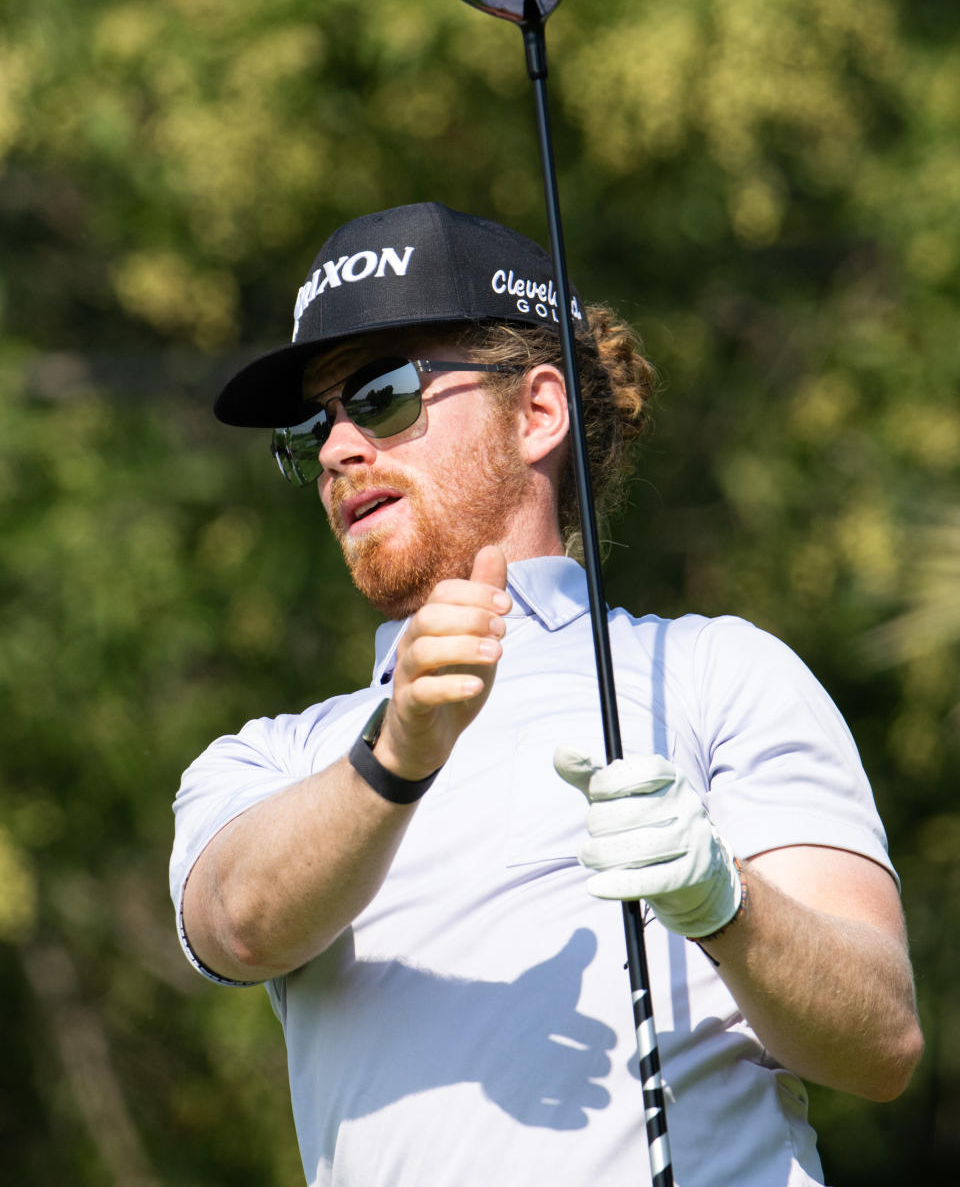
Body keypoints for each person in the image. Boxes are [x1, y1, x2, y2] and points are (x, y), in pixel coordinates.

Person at [170, 201, 922, 1187]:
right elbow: (238, 924)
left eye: (384, 395)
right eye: (315, 425)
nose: (339, 450)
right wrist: (397, 756)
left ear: (538, 413)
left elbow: (880, 1044)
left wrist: (723, 902)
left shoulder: (714, 671)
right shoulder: (275, 757)